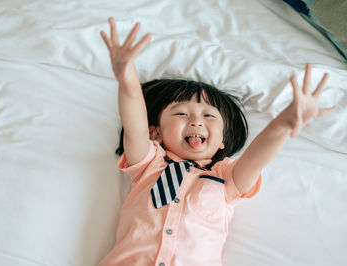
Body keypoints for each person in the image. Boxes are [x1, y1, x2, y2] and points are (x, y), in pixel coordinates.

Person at [98, 17, 336, 266]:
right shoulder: (148, 164)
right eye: (181, 113)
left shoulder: (226, 178)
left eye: (209, 116)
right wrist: (127, 78)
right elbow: (134, 122)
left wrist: (285, 123)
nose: (196, 121)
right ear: (155, 133)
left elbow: (256, 158)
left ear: (223, 140)